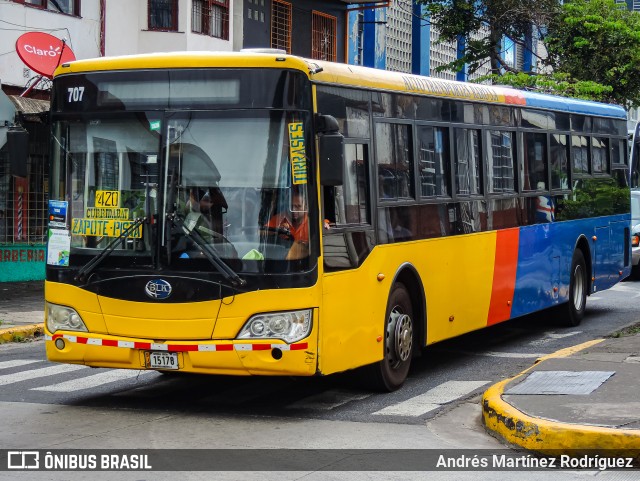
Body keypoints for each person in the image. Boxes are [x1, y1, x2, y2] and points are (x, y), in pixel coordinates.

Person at [263, 193, 309, 259]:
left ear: (306, 207)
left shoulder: (314, 221)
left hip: (306, 264)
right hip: (281, 261)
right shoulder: (279, 219)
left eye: (298, 206)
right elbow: (261, 232)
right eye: (291, 206)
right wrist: (276, 231)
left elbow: (326, 227)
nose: (293, 210)